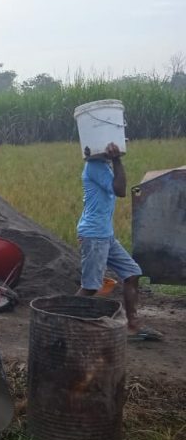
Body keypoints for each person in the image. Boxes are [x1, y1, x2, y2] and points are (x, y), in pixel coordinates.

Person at [76, 142, 163, 341]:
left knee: (132, 273)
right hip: (94, 234)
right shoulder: (95, 166)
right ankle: (64, 321)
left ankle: (133, 325)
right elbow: (120, 189)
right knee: (90, 286)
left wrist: (114, 160)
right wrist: (116, 159)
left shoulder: (103, 165)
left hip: (105, 234)